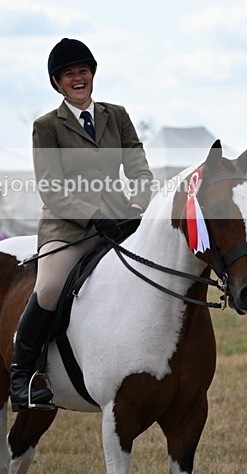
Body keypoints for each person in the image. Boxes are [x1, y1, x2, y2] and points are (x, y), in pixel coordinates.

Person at [10, 38, 153, 411]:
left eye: (83, 70)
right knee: (50, 287)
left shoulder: (116, 115)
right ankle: (22, 374)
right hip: (70, 226)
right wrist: (93, 216)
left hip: (121, 220)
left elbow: (138, 167)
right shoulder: (46, 126)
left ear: (92, 74)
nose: (78, 77)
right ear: (57, 82)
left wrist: (137, 205)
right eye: (69, 73)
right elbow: (51, 188)